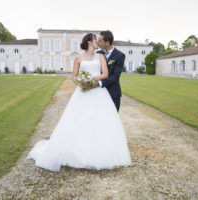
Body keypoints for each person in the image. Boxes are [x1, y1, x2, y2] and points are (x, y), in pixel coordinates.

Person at [26, 33, 132, 172]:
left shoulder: (101, 56)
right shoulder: (80, 57)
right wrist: (80, 83)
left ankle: (102, 151)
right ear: (89, 42)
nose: (98, 42)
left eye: (100, 40)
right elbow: (74, 77)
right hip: (83, 93)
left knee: (103, 121)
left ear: (107, 41)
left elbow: (107, 75)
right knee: (80, 120)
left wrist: (91, 80)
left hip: (100, 92)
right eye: (96, 40)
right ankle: (80, 150)